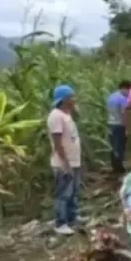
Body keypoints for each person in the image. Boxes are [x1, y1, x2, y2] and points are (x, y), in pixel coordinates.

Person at [48, 85, 82, 235]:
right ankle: (60, 223)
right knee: (63, 193)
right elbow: (57, 142)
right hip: (64, 163)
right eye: (71, 97)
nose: (74, 100)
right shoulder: (55, 116)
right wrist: (65, 163)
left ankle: (72, 218)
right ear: (64, 99)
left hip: (74, 161)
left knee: (73, 191)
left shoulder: (66, 115)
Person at [107, 80, 131, 173]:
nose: (129, 93)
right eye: (129, 90)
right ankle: (119, 167)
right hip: (119, 125)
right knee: (120, 146)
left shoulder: (111, 96)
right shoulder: (122, 98)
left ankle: (114, 165)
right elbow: (123, 113)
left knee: (113, 145)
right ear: (124, 88)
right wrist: (126, 128)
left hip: (110, 123)